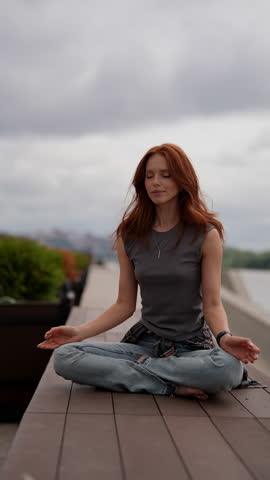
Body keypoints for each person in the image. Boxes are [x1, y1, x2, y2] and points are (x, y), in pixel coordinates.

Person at [37, 143, 260, 400]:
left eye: (166, 175)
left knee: (228, 370)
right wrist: (79, 332)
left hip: (191, 349)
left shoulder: (205, 235)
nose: (156, 182)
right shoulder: (129, 235)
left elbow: (212, 304)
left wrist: (224, 338)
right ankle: (168, 385)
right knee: (66, 357)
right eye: (149, 175)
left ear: (182, 179)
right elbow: (124, 305)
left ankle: (140, 374)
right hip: (143, 344)